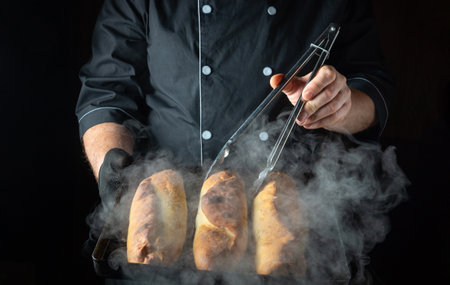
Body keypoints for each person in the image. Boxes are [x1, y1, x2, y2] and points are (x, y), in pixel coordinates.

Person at [76, 1, 392, 284]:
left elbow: (372, 86)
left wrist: (340, 106)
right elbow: (107, 91)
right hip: (166, 210)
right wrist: (112, 162)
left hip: (298, 203)